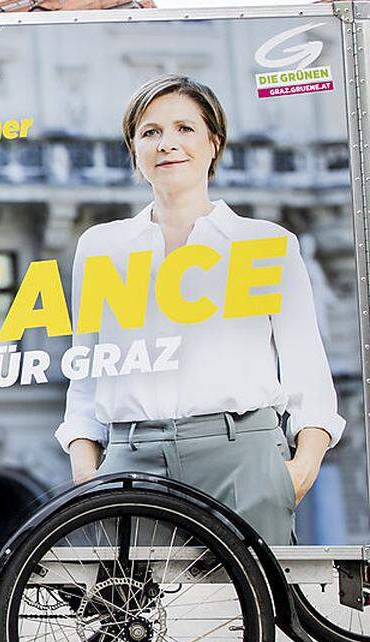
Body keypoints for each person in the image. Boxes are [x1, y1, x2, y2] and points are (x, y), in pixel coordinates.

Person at [59, 74, 345, 546]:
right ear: (134, 150)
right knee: (129, 619)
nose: (167, 143)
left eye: (184, 129)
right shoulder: (101, 247)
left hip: (245, 457)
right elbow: (88, 372)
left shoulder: (266, 243)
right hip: (132, 462)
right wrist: (86, 473)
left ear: (214, 143)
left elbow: (308, 374)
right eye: (150, 132)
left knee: (250, 616)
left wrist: (298, 470)